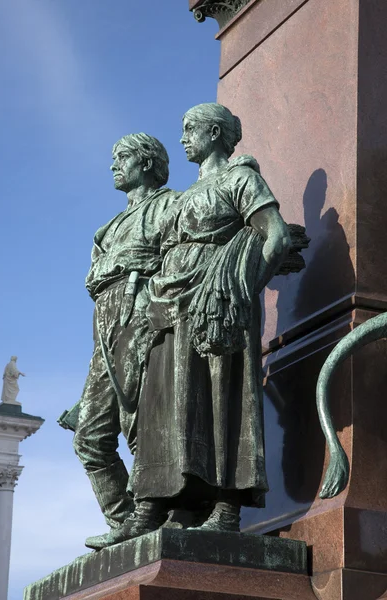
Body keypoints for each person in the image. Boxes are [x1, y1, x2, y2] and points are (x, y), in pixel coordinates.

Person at [125, 103, 291, 536]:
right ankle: (174, 502)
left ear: (215, 133)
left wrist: (239, 290)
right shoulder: (181, 198)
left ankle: (226, 507)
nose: (182, 138)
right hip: (169, 304)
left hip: (213, 306)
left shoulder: (241, 179)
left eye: (189, 129)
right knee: (168, 408)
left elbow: (277, 236)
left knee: (222, 400)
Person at [72, 133, 179, 550]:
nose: (114, 165)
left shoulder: (170, 205)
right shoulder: (108, 228)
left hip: (144, 319)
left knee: (142, 428)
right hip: (105, 327)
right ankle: (127, 523)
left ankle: (160, 513)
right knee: (89, 437)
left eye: (123, 157)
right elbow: (93, 276)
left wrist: (135, 266)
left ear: (149, 162)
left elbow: (185, 255)